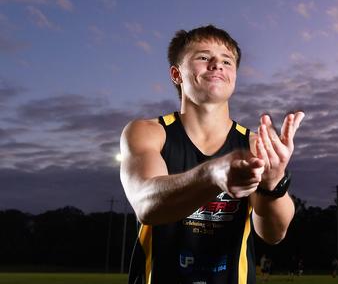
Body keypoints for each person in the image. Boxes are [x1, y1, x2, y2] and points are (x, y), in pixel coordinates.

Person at [120, 25, 305, 284]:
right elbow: (146, 205)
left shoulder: (254, 144)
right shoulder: (149, 132)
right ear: (176, 74)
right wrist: (213, 174)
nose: (217, 64)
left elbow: (273, 234)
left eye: (227, 61)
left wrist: (273, 184)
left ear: (234, 76)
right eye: (204, 57)